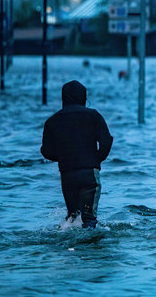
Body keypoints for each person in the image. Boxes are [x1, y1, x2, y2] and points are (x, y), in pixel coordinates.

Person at [41, 80, 113, 229]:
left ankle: (71, 249)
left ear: (63, 99)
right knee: (89, 220)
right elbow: (106, 141)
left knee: (73, 218)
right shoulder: (93, 116)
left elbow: (46, 151)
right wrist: (96, 159)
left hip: (67, 176)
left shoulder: (52, 121)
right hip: (89, 175)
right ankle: (89, 248)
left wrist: (63, 157)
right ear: (84, 98)